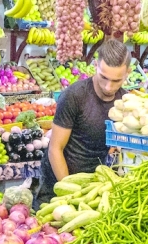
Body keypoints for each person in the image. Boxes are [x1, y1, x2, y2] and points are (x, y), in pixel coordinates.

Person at [36, 38, 130, 205]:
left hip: (93, 189)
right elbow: (55, 149)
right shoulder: (74, 96)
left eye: (116, 81)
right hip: (59, 187)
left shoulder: (126, 101)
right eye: (104, 77)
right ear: (95, 66)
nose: (109, 87)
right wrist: (70, 193)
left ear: (127, 73)